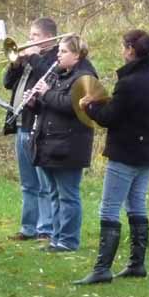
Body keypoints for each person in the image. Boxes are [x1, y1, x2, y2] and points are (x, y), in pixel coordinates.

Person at [73, 30, 149, 284]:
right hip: (146, 152)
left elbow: (109, 117)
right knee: (136, 204)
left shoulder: (128, 83)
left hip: (125, 153)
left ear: (131, 50)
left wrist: (89, 106)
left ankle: (102, 268)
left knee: (110, 208)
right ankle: (137, 263)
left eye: (124, 47)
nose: (122, 51)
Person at [31, 35, 96, 253]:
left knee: (68, 195)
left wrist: (46, 94)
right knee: (54, 194)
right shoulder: (58, 75)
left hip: (69, 144)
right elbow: (49, 106)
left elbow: (72, 106)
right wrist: (34, 102)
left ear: (77, 55)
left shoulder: (85, 77)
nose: (58, 55)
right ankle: (56, 238)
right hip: (50, 142)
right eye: (58, 51)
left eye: (63, 51)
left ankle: (68, 240)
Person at [2, 17, 59, 242]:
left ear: (48, 37)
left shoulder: (56, 58)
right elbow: (7, 83)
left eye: (35, 35)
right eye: (30, 35)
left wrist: (34, 57)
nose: (30, 40)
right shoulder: (28, 59)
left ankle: (46, 228)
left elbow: (50, 79)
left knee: (44, 183)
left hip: (40, 127)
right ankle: (28, 227)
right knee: (28, 183)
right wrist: (15, 64)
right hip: (21, 124)